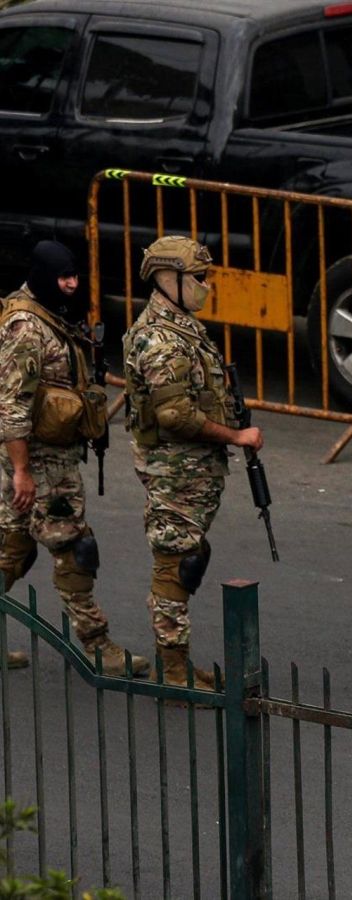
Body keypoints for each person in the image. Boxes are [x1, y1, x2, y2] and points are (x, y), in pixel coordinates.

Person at [0, 240, 149, 675]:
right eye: (62, 276)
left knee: (13, 547)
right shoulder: (26, 327)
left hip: (48, 454)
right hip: (40, 460)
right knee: (73, 545)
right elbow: (12, 406)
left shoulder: (50, 312)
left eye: (74, 275)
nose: (70, 283)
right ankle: (97, 645)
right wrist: (23, 471)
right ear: (43, 275)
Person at [122, 236, 263, 690]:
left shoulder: (181, 326)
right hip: (174, 472)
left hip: (191, 471)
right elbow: (175, 415)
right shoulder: (161, 340)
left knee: (186, 560)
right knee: (175, 567)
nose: (206, 285)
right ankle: (173, 673)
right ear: (170, 279)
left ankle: (176, 664)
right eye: (199, 277)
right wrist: (236, 436)